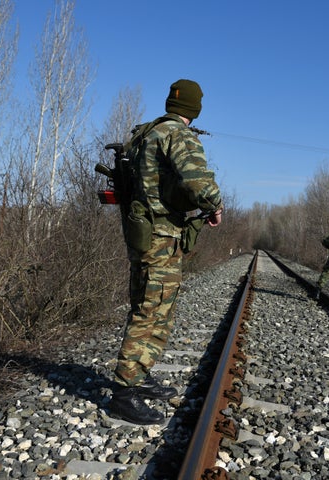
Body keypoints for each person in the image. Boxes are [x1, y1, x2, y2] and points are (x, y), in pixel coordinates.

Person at [109, 79, 224, 425]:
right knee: (152, 310)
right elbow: (198, 181)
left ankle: (139, 375)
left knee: (150, 306)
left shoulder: (147, 133)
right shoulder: (178, 135)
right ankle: (123, 392)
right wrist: (215, 206)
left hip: (145, 232)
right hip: (160, 235)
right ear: (194, 107)